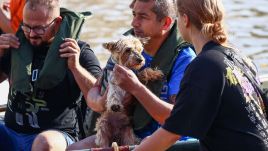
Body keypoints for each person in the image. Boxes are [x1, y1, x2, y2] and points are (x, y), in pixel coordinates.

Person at [112, 0, 268, 150]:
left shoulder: (204, 65)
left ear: (185, 19)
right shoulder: (240, 57)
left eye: (177, 17)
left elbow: (172, 132)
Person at [67, 0, 196, 149]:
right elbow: (94, 92)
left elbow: (178, 118)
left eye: (143, 17)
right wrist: (103, 102)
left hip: (168, 138)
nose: (134, 22)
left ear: (166, 23)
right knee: (73, 149)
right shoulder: (126, 45)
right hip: (126, 130)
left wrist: (135, 88)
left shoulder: (184, 58)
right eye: (134, 14)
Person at [0, 0, 102, 150]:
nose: (32, 34)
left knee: (44, 143)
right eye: (27, 27)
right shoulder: (16, 45)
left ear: (57, 23)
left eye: (39, 28)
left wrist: (76, 67)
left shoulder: (79, 51)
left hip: (57, 136)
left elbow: (100, 99)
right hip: (10, 131)